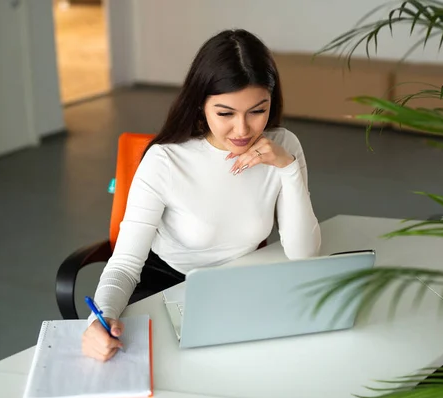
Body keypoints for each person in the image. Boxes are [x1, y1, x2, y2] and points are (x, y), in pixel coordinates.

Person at [82, 28, 321, 361]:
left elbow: (303, 253)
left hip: (241, 286)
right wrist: (100, 318)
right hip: (168, 285)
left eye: (257, 111)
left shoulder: (283, 147)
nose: (243, 130)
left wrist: (288, 168)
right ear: (200, 105)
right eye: (225, 113)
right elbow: (124, 265)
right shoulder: (166, 161)